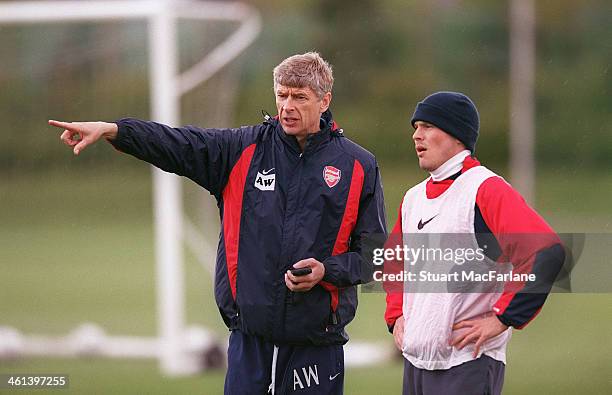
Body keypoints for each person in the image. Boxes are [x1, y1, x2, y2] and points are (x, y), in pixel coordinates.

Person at [49, 52, 387, 394]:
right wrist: (115, 131)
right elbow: (178, 144)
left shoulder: (357, 166)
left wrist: (325, 271)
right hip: (249, 343)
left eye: (299, 97)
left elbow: (376, 258)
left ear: (324, 100)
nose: (287, 106)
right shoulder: (241, 150)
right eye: (281, 95)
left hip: (316, 346)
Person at [383, 91, 564, 395]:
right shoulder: (413, 198)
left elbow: (546, 252)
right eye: (416, 127)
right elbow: (394, 261)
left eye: (427, 126)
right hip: (416, 365)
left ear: (456, 135)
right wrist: (396, 315)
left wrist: (503, 318)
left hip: (468, 363)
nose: (417, 135)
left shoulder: (485, 189)